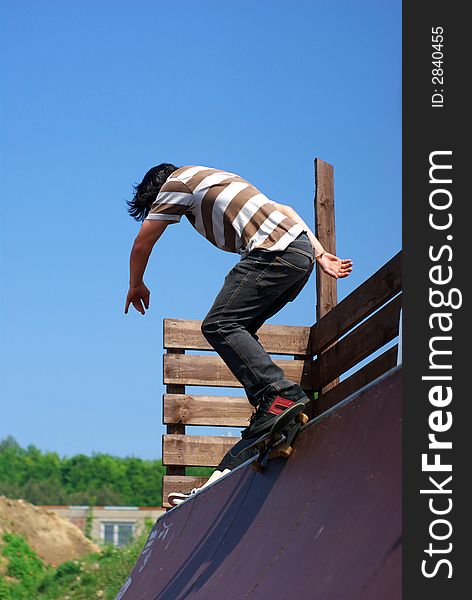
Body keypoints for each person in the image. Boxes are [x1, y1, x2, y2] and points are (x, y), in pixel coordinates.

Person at [125, 163, 352, 504]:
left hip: (274, 254)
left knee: (219, 325)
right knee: (239, 328)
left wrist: (135, 283)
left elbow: (142, 243)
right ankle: (270, 411)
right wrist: (319, 255)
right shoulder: (218, 178)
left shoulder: (176, 183)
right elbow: (287, 210)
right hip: (299, 254)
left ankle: (278, 396)